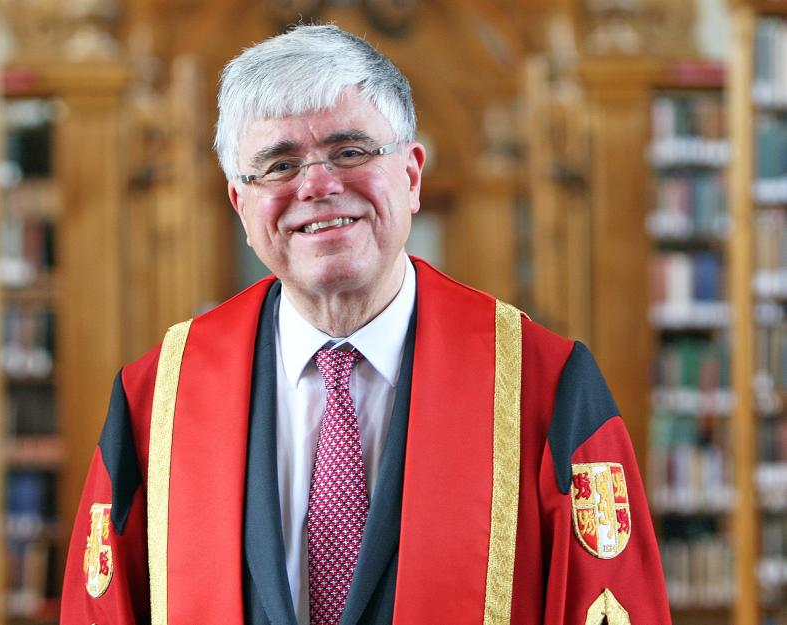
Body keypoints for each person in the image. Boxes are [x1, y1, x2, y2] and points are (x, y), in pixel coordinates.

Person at [60, 24, 671, 625]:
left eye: (350, 151)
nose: (318, 185)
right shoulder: (157, 401)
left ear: (411, 174)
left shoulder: (547, 387)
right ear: (240, 205)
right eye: (278, 165)